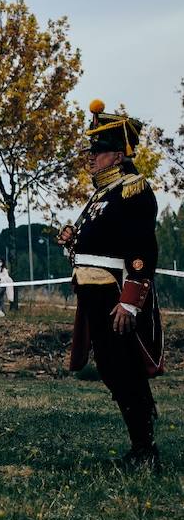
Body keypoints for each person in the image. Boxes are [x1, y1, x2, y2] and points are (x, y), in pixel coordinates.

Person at [58, 99, 164, 471]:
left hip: (114, 294)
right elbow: (100, 243)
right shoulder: (101, 195)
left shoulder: (133, 190)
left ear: (118, 155)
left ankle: (144, 449)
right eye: (92, 150)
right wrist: (73, 238)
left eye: (99, 151)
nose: (91, 157)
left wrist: (131, 300)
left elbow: (142, 250)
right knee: (110, 368)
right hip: (92, 293)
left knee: (123, 369)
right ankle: (141, 441)